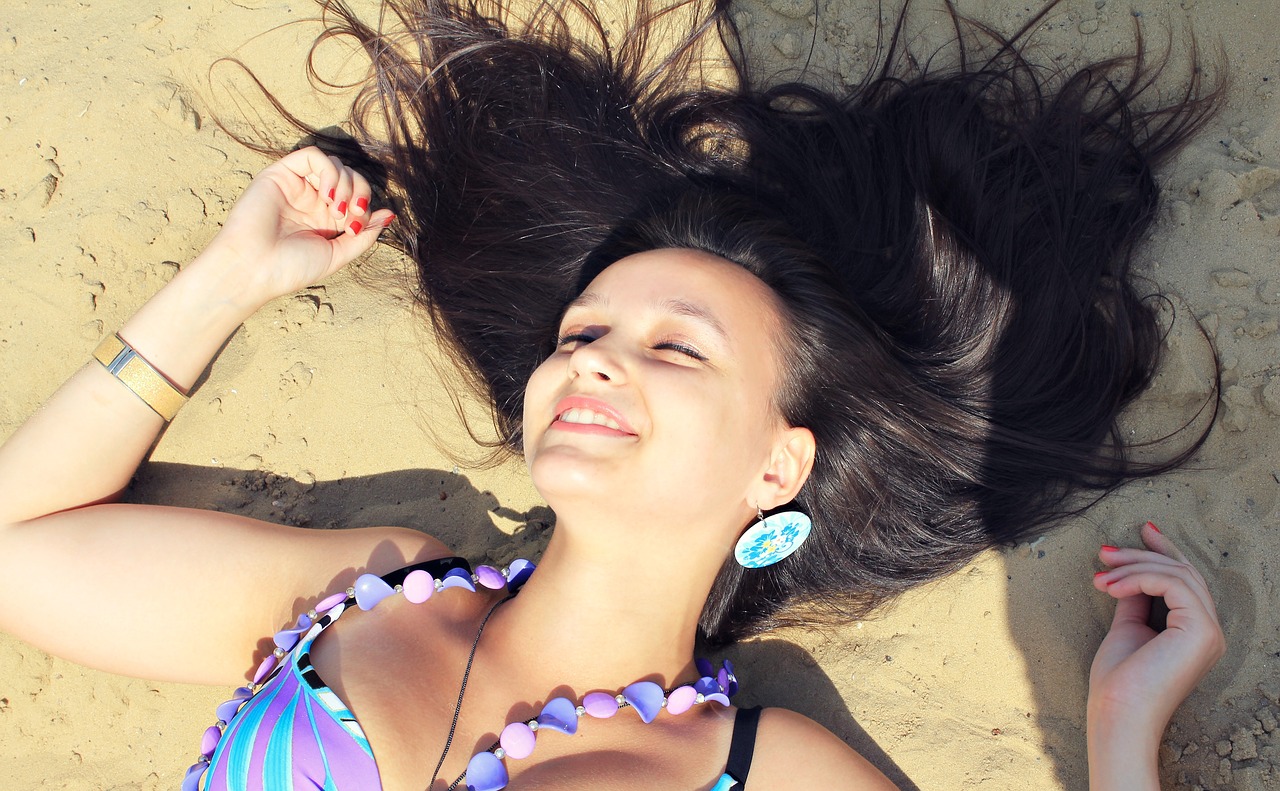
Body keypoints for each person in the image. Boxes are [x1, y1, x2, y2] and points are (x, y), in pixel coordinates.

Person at [0, 0, 1227, 788]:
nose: (591, 357)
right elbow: (20, 548)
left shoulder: (764, 767)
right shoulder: (359, 592)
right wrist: (226, 280)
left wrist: (1123, 742)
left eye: (675, 351)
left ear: (775, 469)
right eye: (584, 330)